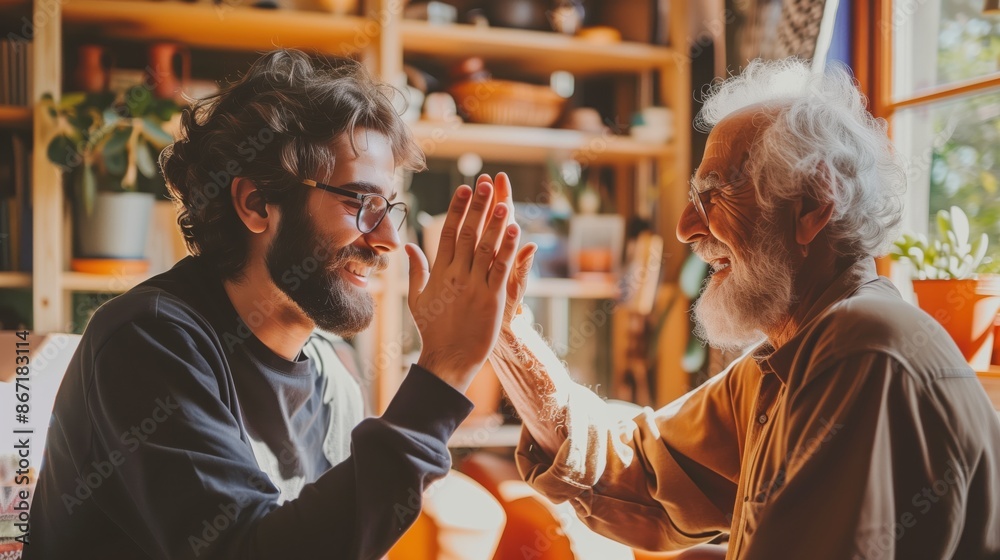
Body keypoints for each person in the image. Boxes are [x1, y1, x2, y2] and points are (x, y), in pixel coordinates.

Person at [24, 49, 533, 560]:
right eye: (359, 202)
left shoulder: (332, 375)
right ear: (255, 204)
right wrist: (441, 373)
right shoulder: (147, 340)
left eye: (388, 209)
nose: (387, 240)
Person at [490, 58, 1000, 559]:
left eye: (713, 193)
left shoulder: (859, 351)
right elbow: (639, 471)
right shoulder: (791, 355)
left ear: (812, 205)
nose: (685, 226)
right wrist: (506, 329)